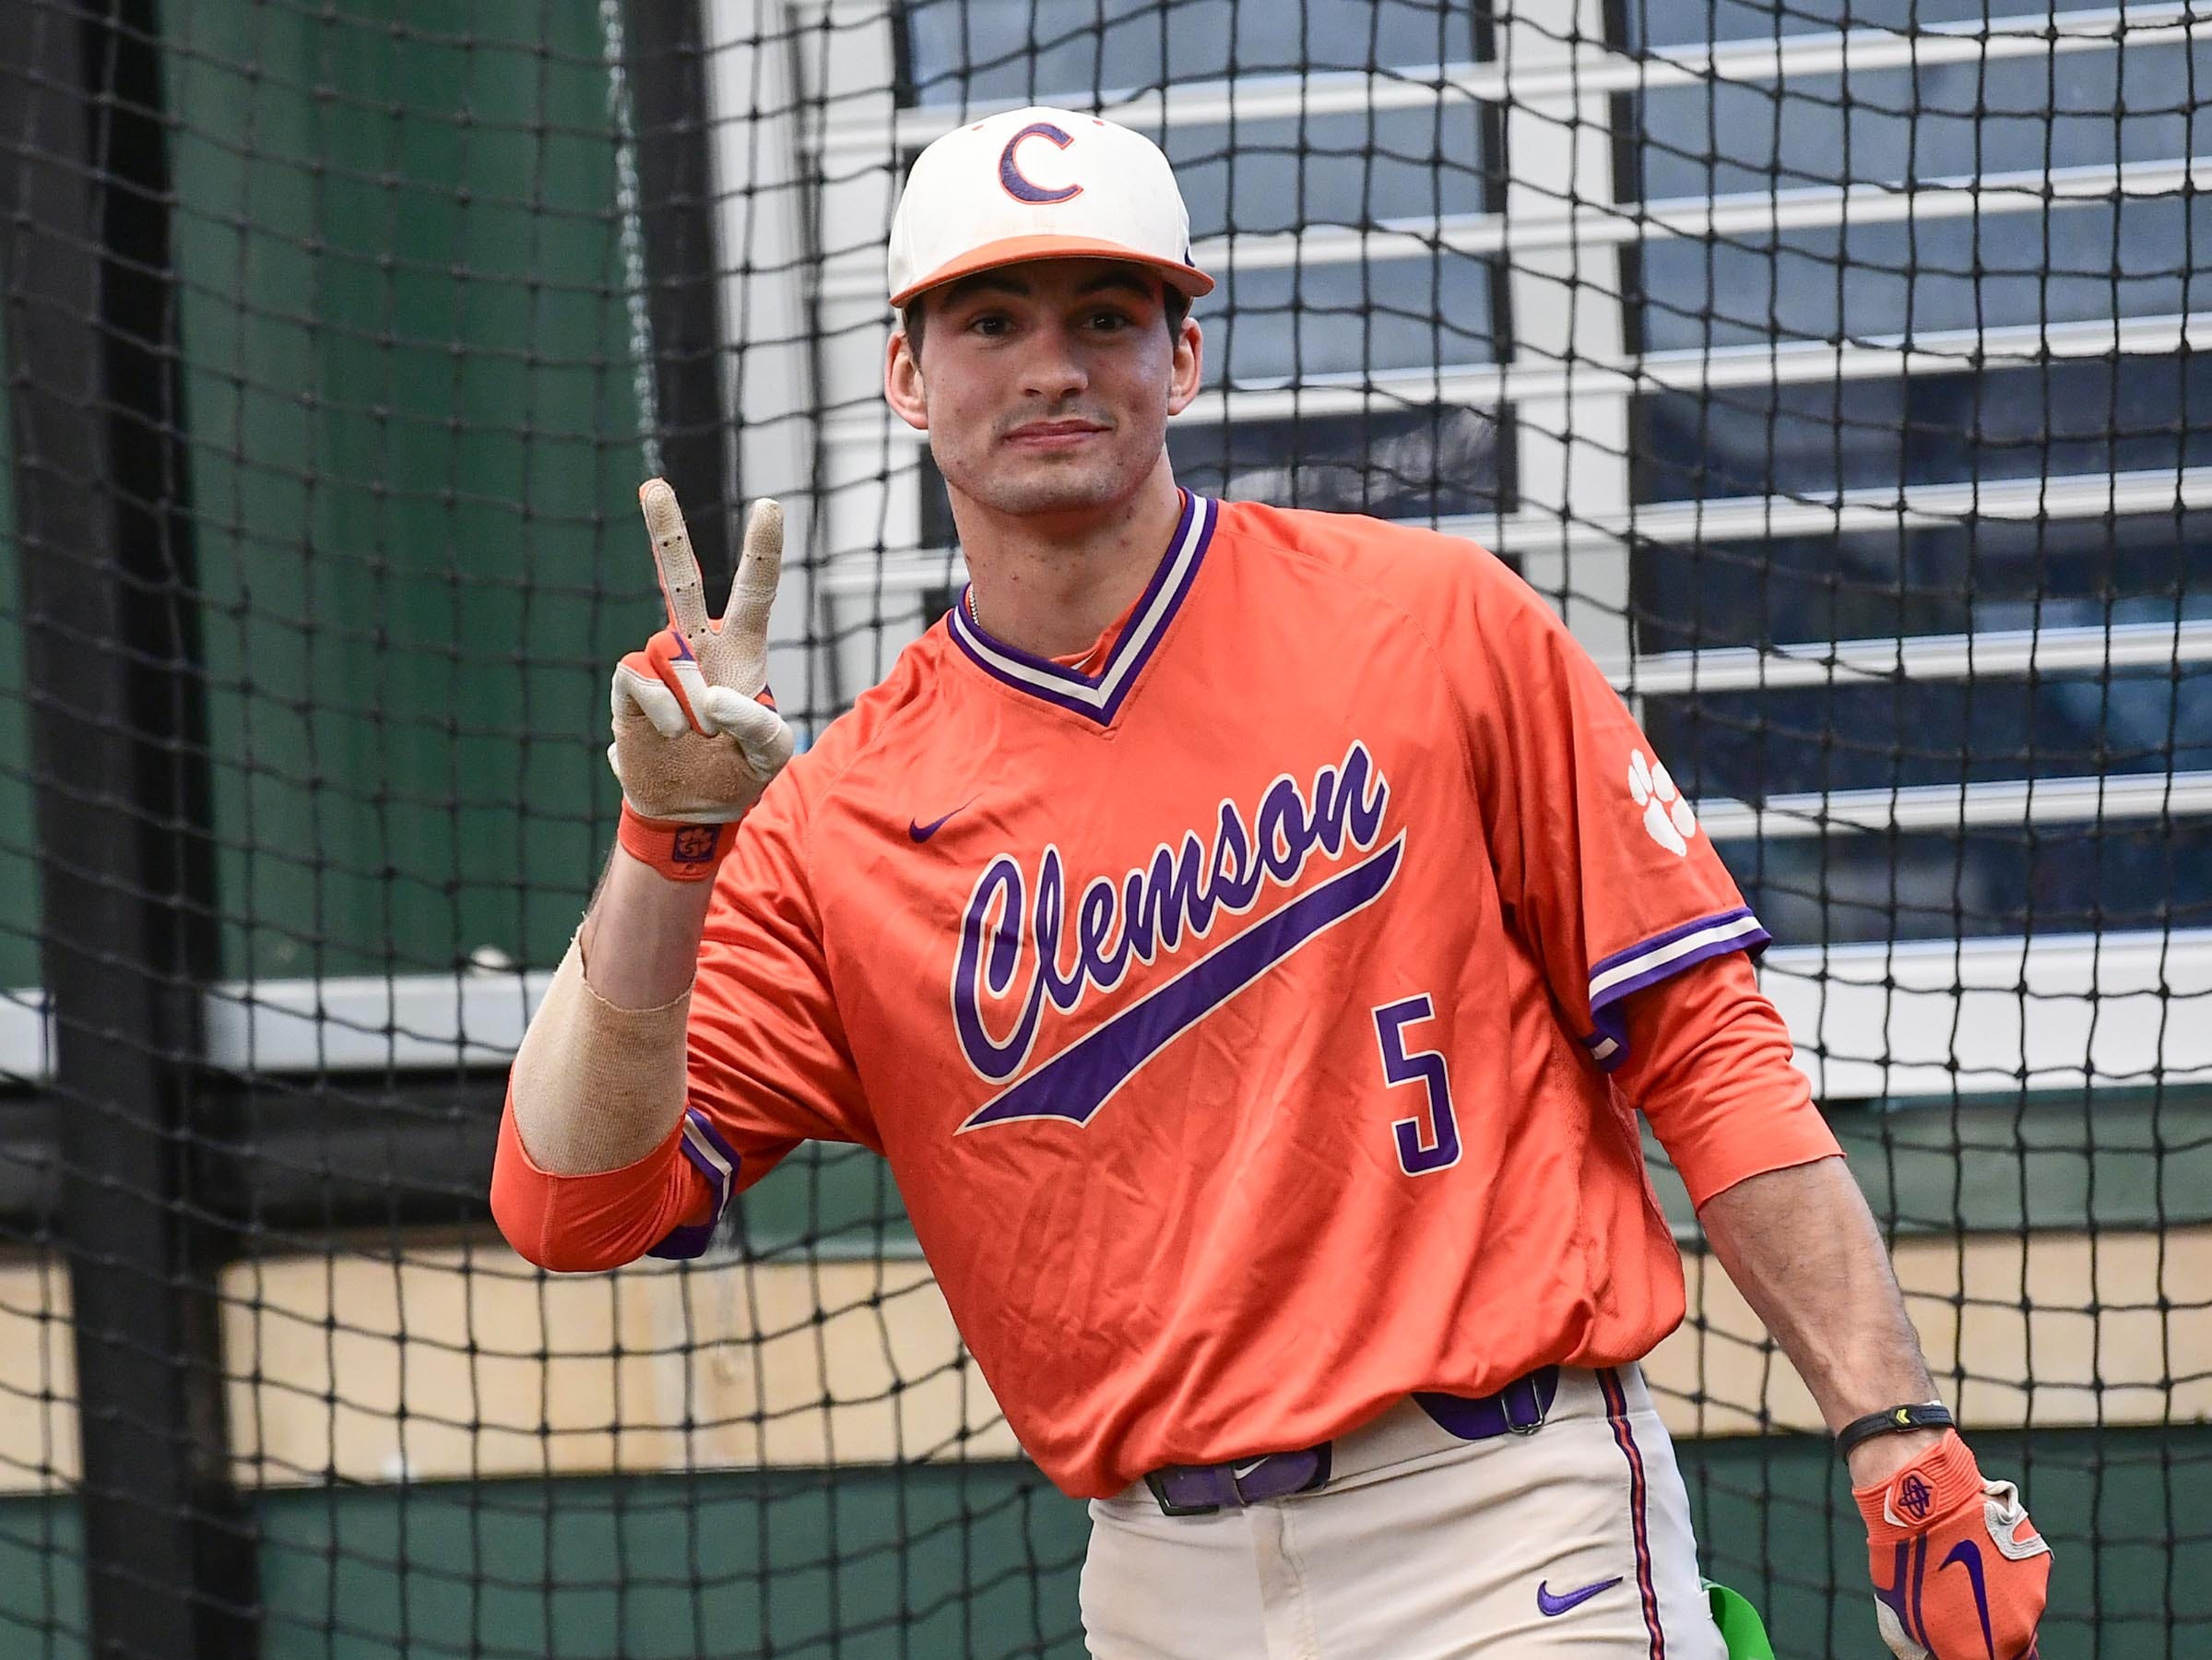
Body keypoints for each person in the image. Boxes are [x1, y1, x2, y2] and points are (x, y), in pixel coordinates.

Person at [491, 106, 2050, 1658]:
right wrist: (665, 846)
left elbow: (1703, 1042)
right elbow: (568, 1205)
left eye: (1109, 316)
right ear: (908, 372)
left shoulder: (1433, 622)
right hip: (1161, 1585)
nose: (1054, 367)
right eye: (992, 320)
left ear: (1183, 356)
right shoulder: (841, 816)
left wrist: (1895, 1428)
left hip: (1505, 1524)